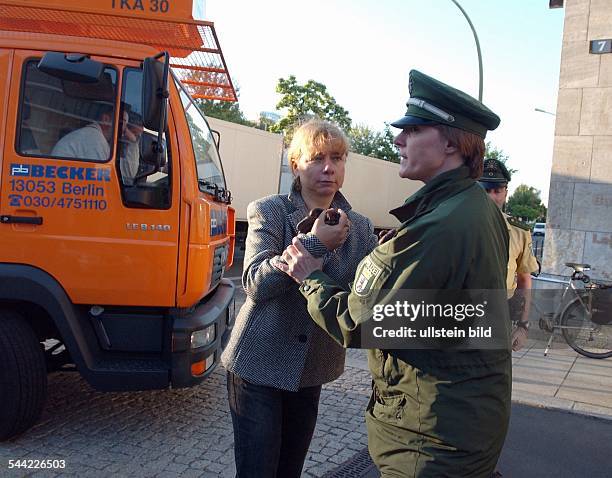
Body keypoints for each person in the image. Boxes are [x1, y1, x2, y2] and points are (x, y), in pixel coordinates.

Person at [276, 70, 512, 477]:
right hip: (461, 422)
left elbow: (363, 321)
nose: (399, 140)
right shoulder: (475, 207)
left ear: (452, 143)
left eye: (413, 130)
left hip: (430, 439)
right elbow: (447, 317)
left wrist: (310, 274)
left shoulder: (441, 224)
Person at [221, 119, 377, 478]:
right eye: (316, 157)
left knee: (290, 469)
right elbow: (255, 283)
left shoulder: (362, 228)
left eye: (337, 158)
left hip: (311, 370)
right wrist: (315, 244)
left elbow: (361, 298)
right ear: (296, 165)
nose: (328, 167)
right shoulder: (269, 210)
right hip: (257, 365)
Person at [479, 159, 540, 351]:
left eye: (497, 191)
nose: (491, 197)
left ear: (506, 192)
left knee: (495, 376)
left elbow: (524, 279)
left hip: (499, 315)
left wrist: (523, 325)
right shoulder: (457, 225)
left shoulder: (519, 231)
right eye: (485, 190)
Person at [51, 103, 121, 160]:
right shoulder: (94, 139)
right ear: (106, 119)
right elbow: (99, 173)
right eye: (121, 122)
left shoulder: (93, 136)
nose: (124, 129)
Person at [120, 111, 144, 185]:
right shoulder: (123, 137)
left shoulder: (136, 139)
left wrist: (125, 129)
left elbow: (133, 138)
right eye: (140, 125)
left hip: (128, 179)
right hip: (121, 176)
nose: (142, 129)